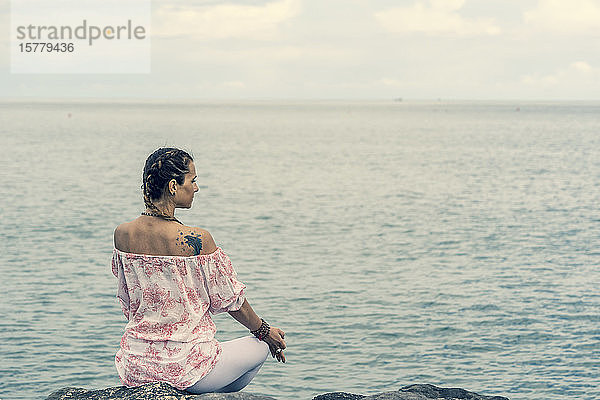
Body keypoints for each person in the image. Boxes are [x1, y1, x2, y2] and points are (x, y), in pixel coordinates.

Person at [111, 147, 286, 394]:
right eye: (192, 180)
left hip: (136, 365)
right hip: (185, 367)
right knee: (259, 347)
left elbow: (129, 300)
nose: (196, 188)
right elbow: (231, 301)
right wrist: (265, 332)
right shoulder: (197, 239)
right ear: (173, 186)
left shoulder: (122, 234)